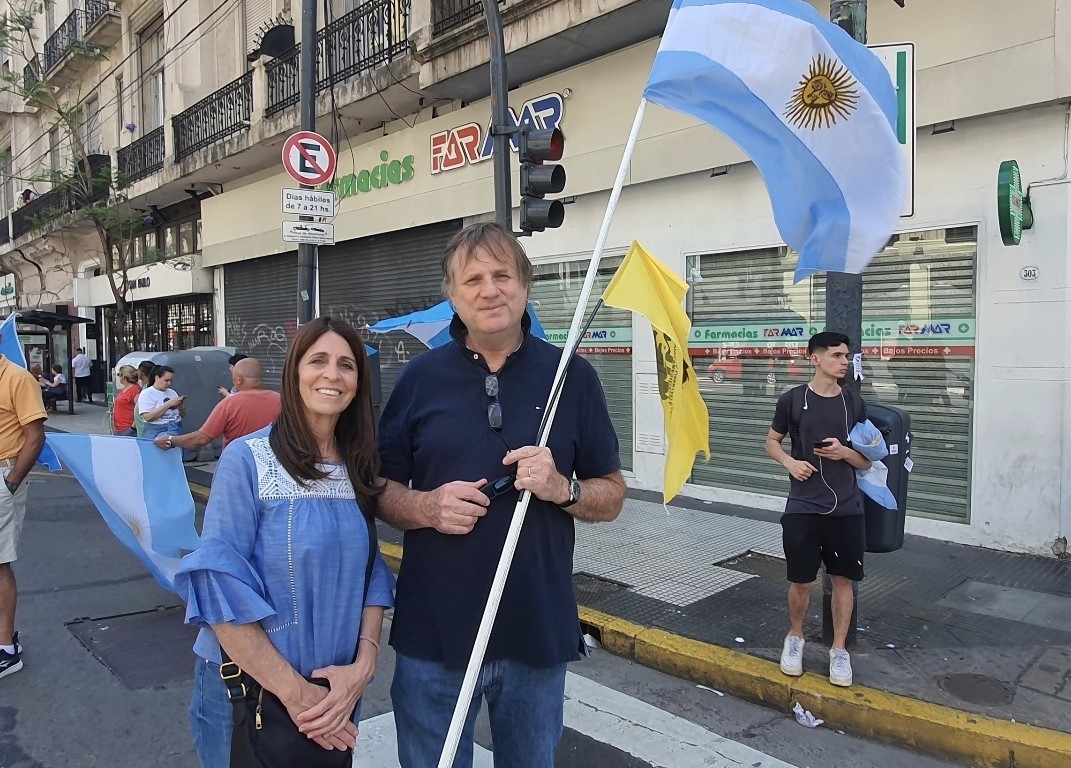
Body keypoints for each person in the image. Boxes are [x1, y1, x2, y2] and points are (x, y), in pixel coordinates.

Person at [376, 222, 627, 767]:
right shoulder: (417, 379)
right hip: (432, 634)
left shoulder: (573, 376)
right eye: (473, 280)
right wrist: (424, 506)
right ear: (452, 295)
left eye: (502, 275)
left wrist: (562, 488)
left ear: (525, 284)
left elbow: (611, 496)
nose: (489, 290)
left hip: (535, 630)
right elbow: (379, 488)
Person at [173, 317, 395, 768]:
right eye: (318, 360)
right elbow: (219, 586)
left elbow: (369, 573)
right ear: (294, 374)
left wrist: (363, 666)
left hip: (334, 694)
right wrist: (296, 695)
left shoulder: (358, 466)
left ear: (358, 382)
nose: (332, 374)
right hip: (252, 694)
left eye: (346, 365)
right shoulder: (248, 460)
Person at [764, 331, 872, 688]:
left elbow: (868, 462)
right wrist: (790, 463)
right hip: (803, 506)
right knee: (801, 580)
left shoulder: (854, 404)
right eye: (838, 356)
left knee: (843, 580)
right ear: (816, 359)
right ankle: (795, 638)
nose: (844, 362)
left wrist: (845, 453)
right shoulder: (793, 400)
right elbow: (771, 441)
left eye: (846, 356)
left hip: (846, 507)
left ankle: (839, 650)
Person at [0, 331, 47, 681]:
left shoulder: (17, 378)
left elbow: (35, 436)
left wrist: (10, 482)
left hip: (4, 474)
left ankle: (6, 648)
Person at [155, 358, 280, 454]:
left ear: (239, 379)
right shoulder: (280, 400)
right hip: (274, 464)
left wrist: (171, 440)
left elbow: (201, 439)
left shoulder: (229, 404)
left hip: (237, 464)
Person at [137, 365, 185, 443]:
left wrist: (180, 407)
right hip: (156, 429)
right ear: (157, 378)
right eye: (166, 380)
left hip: (176, 426)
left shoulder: (172, 392)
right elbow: (147, 417)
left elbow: (183, 415)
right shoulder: (147, 394)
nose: (169, 383)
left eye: (171, 381)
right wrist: (168, 404)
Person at [112, 365, 141, 436]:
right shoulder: (125, 388)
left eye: (119, 375)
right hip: (119, 428)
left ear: (124, 376)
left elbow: (139, 410)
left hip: (127, 429)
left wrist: (132, 427)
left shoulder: (135, 390)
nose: (118, 377)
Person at [134, 360, 158, 437]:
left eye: (137, 370)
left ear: (141, 372)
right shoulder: (145, 386)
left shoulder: (149, 389)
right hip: (141, 427)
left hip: (145, 429)